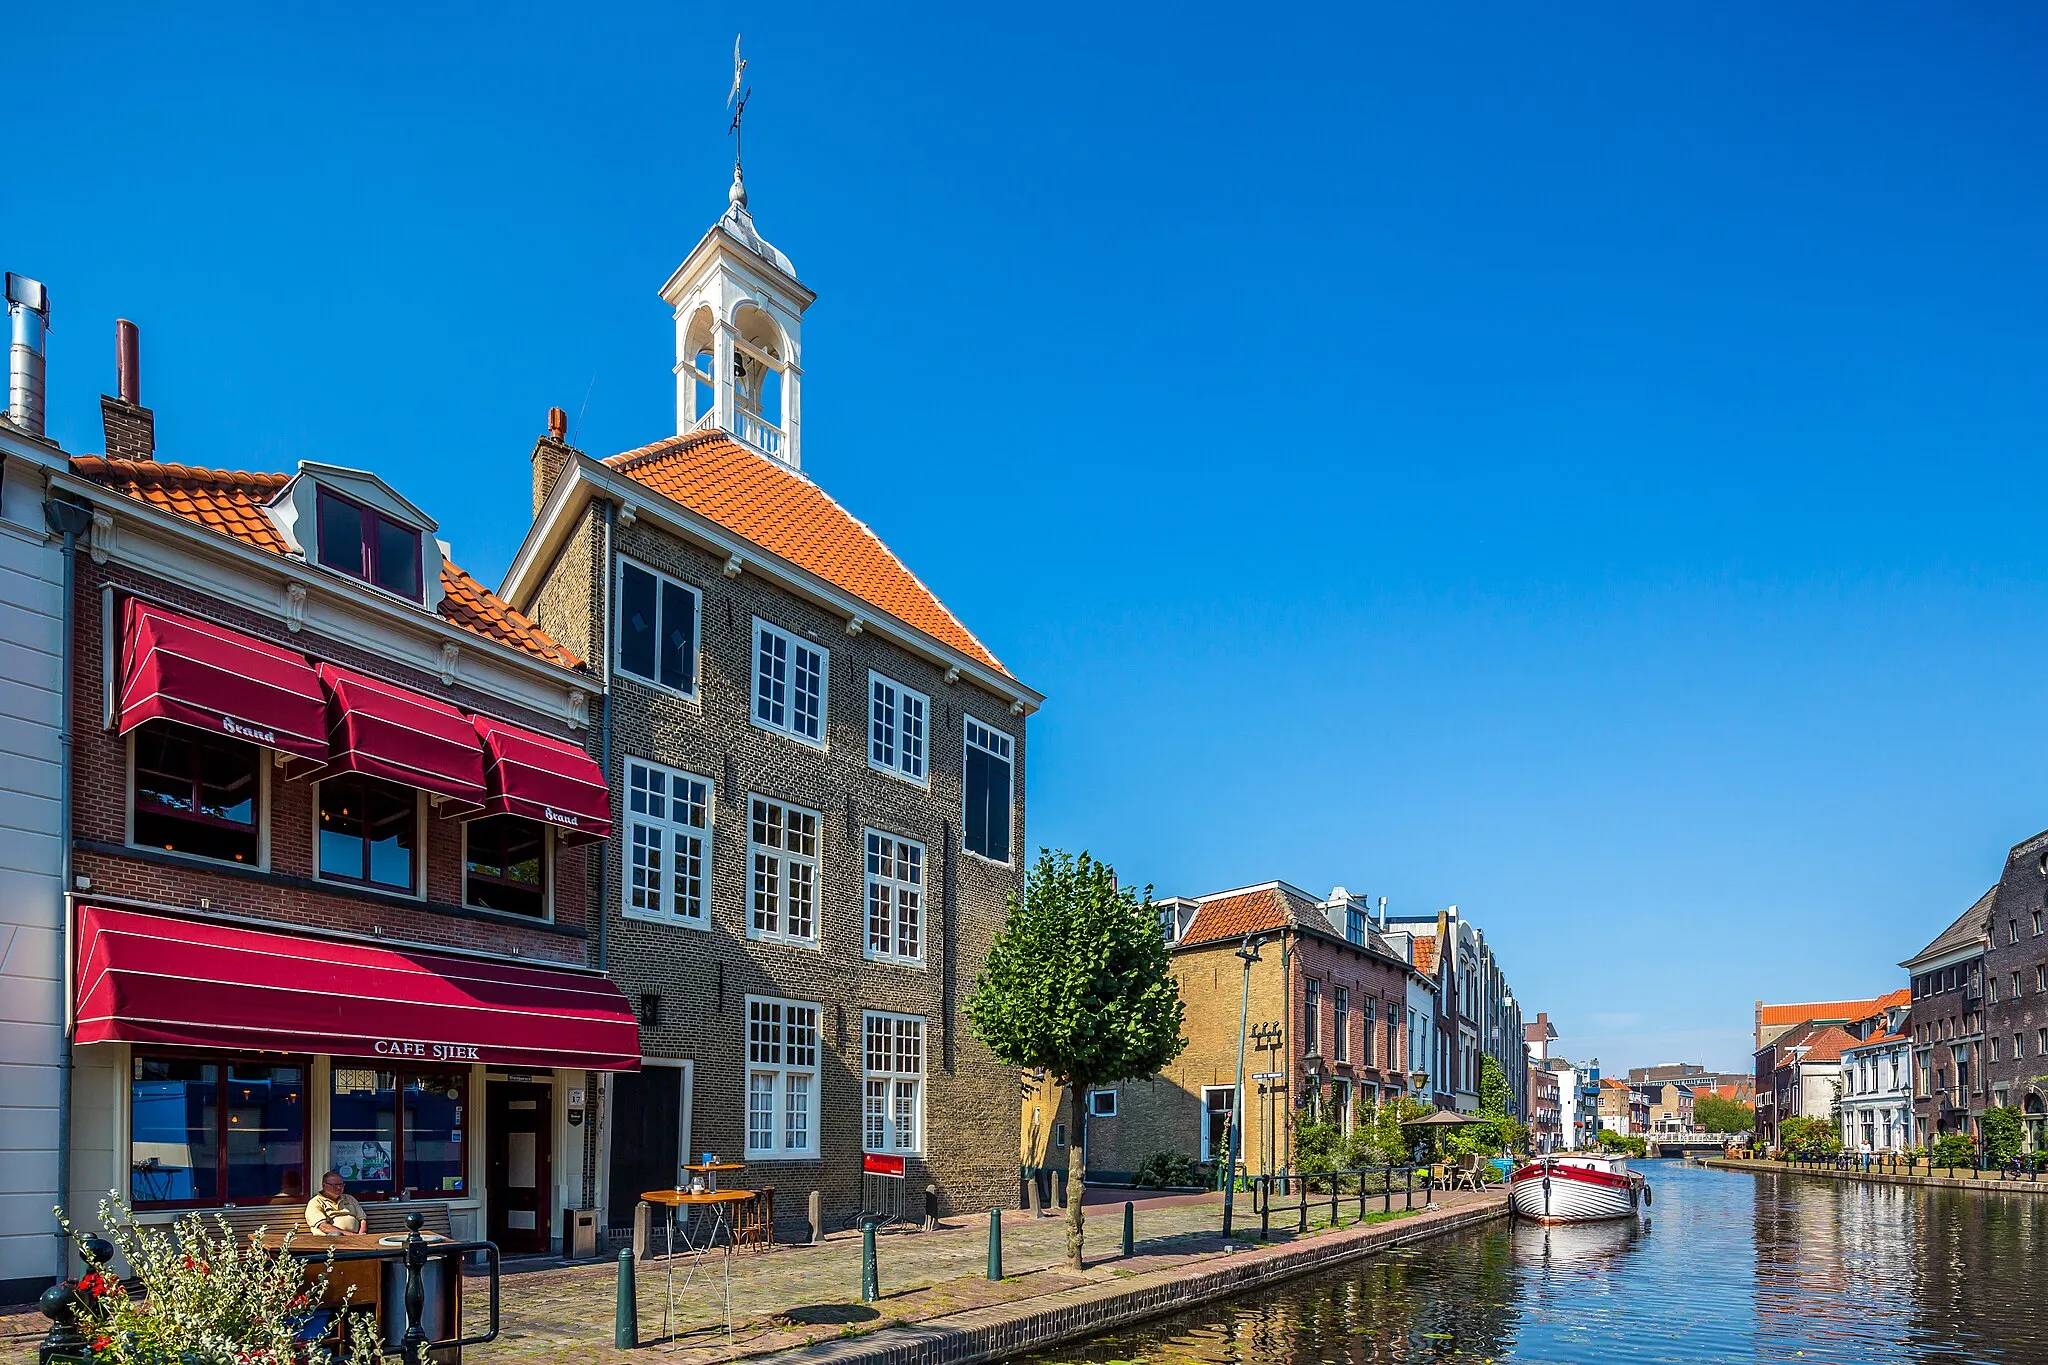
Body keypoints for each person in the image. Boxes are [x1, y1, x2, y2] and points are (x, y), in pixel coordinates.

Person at [306, 1170, 367, 1236]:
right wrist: (350, 1235)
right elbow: (324, 1227)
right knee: (336, 1234)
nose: (339, 1188)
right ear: (324, 1185)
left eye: (341, 1185)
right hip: (330, 1240)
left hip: (355, 1238)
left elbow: (362, 1219)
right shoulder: (315, 1202)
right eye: (334, 1185)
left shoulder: (349, 1199)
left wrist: (362, 1233)